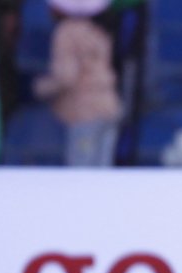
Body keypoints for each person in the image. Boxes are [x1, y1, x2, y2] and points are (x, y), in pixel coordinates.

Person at [33, 0, 122, 167]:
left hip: (85, 113)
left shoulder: (66, 32)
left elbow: (66, 76)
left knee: (81, 170)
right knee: (102, 170)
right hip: (109, 108)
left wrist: (41, 88)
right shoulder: (97, 30)